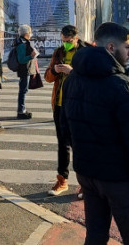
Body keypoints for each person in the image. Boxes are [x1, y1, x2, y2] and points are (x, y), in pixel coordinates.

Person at [61, 22, 129, 245]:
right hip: (120, 179)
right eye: (127, 47)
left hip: (88, 174)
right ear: (110, 47)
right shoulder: (121, 86)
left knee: (95, 236)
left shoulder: (72, 80)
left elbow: (65, 130)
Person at [44, 24, 88, 196]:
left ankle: (85, 184)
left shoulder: (85, 52)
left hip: (79, 105)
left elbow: (92, 76)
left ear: (76, 38)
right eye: (63, 41)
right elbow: (47, 77)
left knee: (80, 145)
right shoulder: (59, 52)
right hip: (60, 104)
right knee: (63, 144)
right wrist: (54, 70)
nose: (66, 44)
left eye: (69, 41)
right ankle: (62, 180)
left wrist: (73, 72)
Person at [12, 25, 38, 119]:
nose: (31, 34)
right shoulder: (22, 44)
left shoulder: (24, 42)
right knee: (23, 90)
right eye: (30, 32)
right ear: (27, 33)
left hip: (26, 70)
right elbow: (22, 59)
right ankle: (21, 111)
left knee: (24, 90)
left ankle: (22, 109)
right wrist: (31, 56)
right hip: (24, 70)